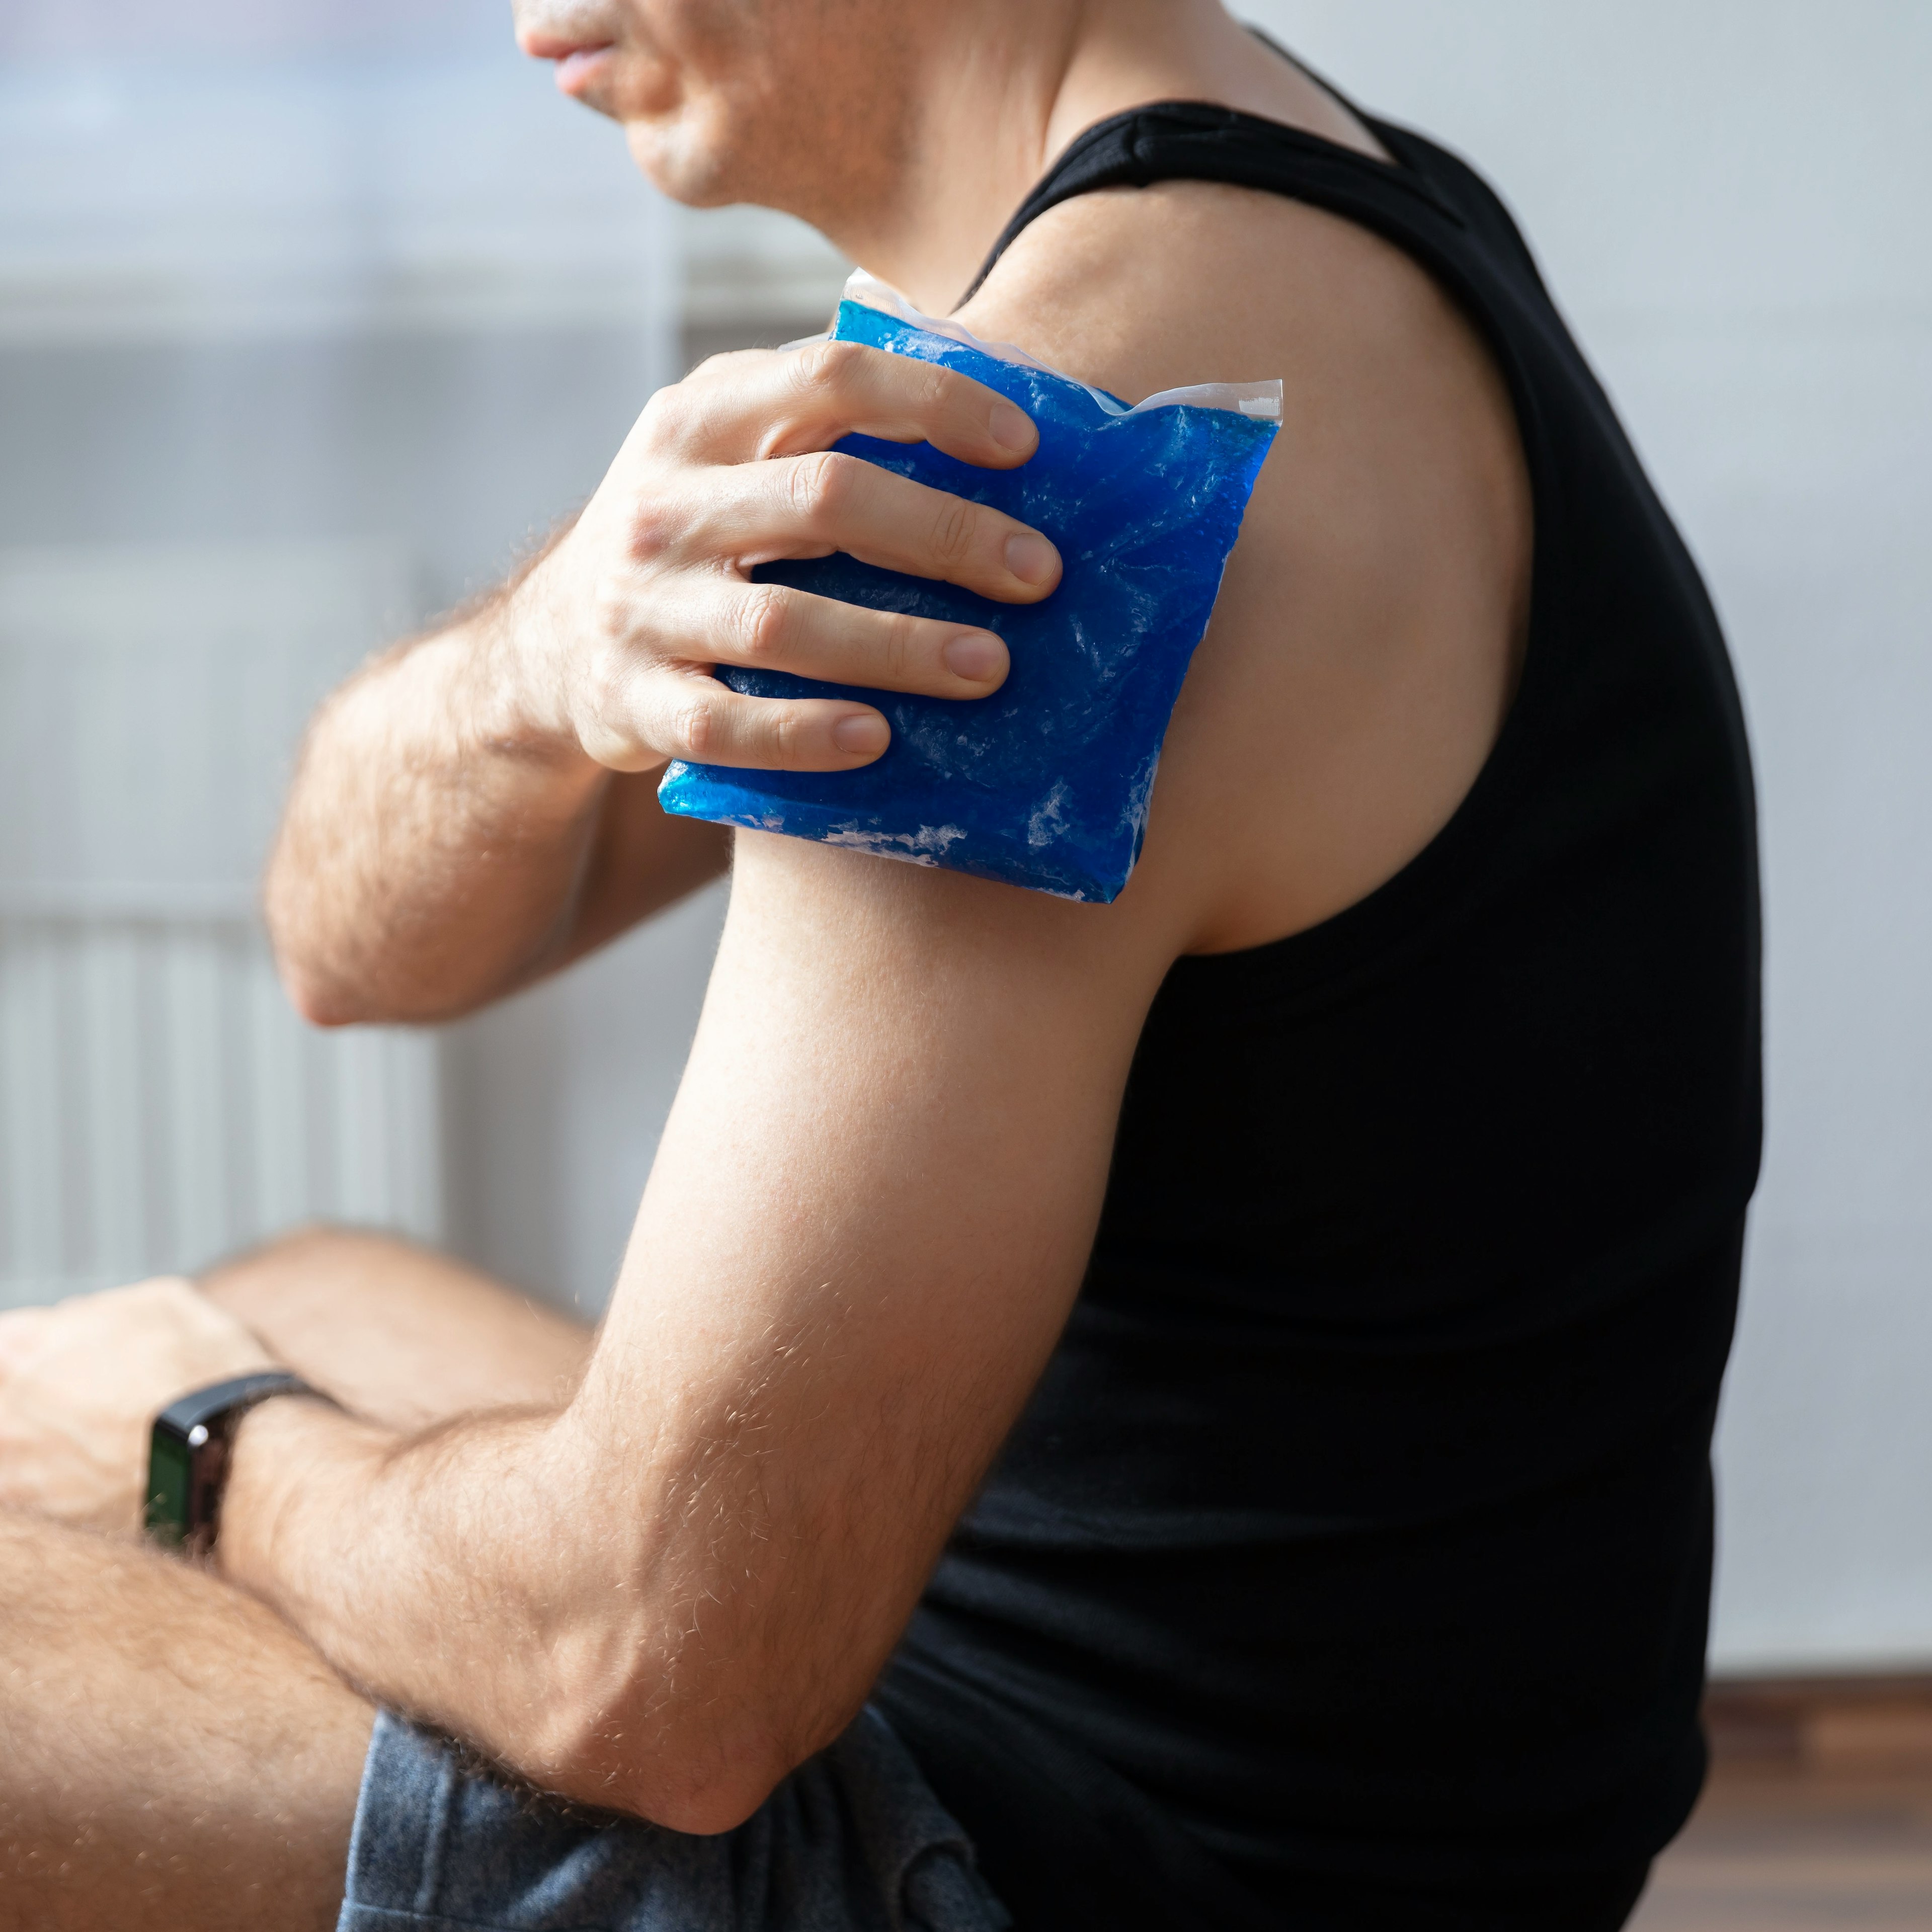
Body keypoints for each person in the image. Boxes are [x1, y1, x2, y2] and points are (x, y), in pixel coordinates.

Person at [0, 2, 1760, 1928]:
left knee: (162, 1444)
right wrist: (531, 664)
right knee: (299, 1294)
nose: (527, 13)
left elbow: (648, 1667)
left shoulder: (1060, 429)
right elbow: (355, 955)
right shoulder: (1290, 211)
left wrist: (206, 1460)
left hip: (1095, 1877)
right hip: (1127, 1739)